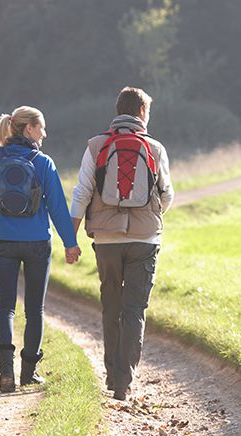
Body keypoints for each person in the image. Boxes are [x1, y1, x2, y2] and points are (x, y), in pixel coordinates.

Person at [70, 87, 174, 401]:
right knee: (134, 310)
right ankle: (123, 383)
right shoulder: (155, 148)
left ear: (118, 111)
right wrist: (153, 214)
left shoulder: (95, 145)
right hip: (144, 239)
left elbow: (82, 193)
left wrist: (69, 238)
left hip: (105, 239)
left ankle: (111, 371)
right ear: (142, 112)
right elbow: (167, 194)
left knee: (110, 306)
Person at [0, 106, 82, 393]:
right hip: (37, 243)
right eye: (41, 127)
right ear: (29, 128)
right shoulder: (43, 162)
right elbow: (58, 207)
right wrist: (70, 244)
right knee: (35, 309)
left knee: (5, 306)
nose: (45, 133)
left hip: (4, 243)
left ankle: (5, 372)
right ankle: (28, 372)